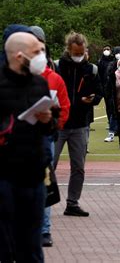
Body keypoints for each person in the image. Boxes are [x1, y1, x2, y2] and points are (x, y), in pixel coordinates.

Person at [0, 31, 55, 262]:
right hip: (4, 175)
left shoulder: (40, 83)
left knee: (32, 245)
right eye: (36, 52)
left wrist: (47, 120)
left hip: (33, 174)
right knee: (4, 243)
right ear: (19, 56)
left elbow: (49, 129)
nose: (41, 56)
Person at [54, 32, 103, 217]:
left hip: (81, 124)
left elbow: (100, 93)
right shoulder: (58, 67)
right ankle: (43, 202)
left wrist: (92, 99)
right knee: (50, 164)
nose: (79, 55)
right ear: (69, 49)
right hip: (58, 124)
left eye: (82, 52)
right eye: (76, 52)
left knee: (79, 167)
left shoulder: (92, 69)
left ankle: (72, 202)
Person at [32, 25, 70, 248]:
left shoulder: (54, 79)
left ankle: (44, 230)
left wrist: (54, 125)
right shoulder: (13, 77)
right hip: (17, 142)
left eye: (40, 48)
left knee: (44, 184)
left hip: (44, 139)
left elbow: (64, 107)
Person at [98, 45, 117, 142]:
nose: (106, 51)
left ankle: (114, 125)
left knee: (113, 106)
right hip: (105, 87)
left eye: (108, 49)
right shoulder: (100, 61)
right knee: (108, 106)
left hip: (113, 87)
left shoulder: (114, 60)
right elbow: (99, 75)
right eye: (104, 49)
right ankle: (110, 123)